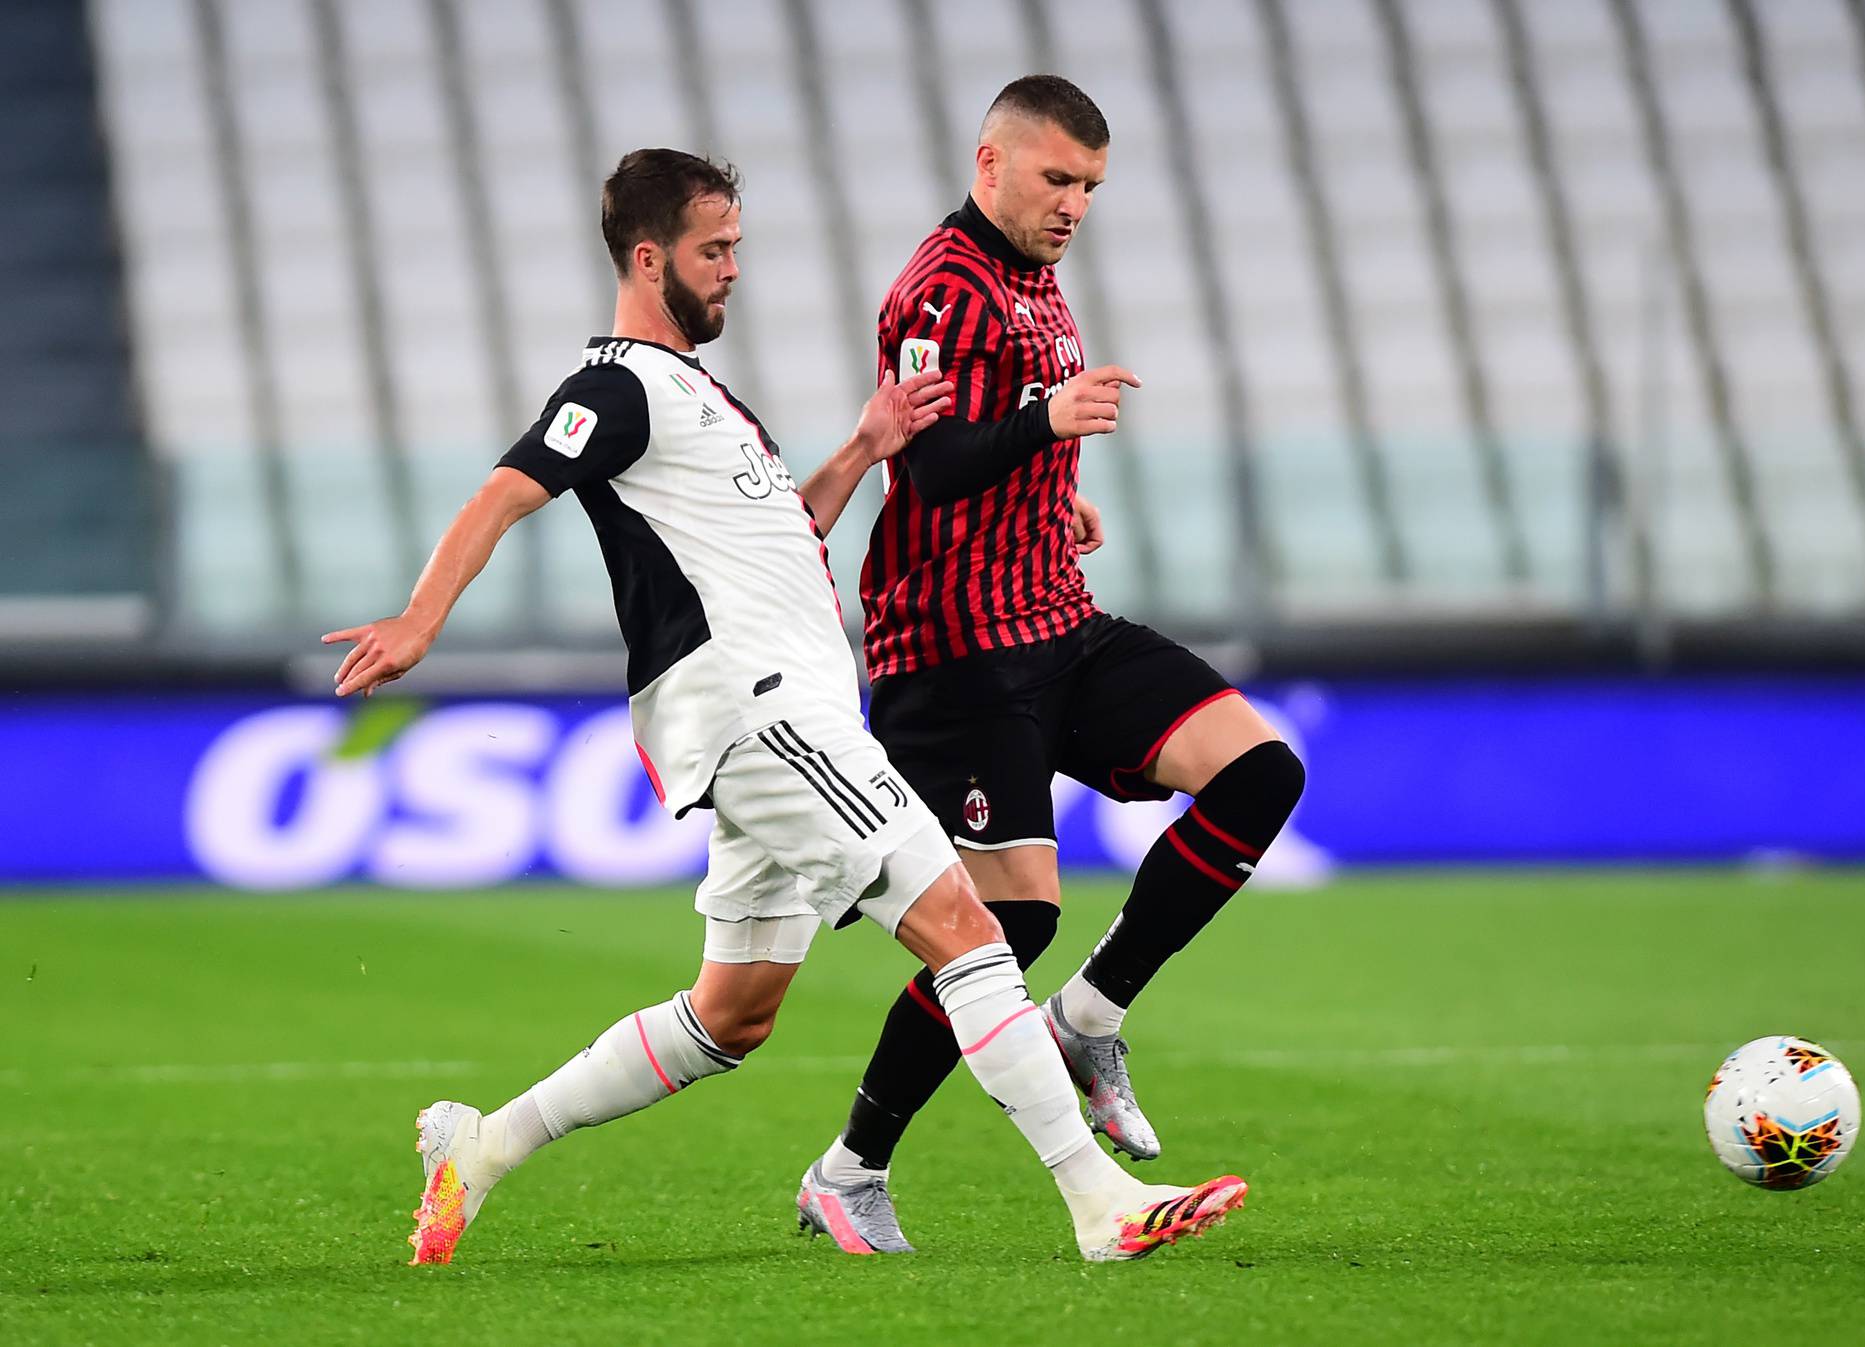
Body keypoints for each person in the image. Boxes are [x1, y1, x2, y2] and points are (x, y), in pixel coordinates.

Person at [322, 147, 1246, 1266]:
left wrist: (863, 447)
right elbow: (507, 488)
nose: (733, 272)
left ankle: (484, 1147)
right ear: (650, 257)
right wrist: (420, 622)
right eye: (715, 252)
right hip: (759, 714)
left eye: (739, 251)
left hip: (781, 711)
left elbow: (784, 543)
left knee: (732, 1016)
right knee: (966, 926)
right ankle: (1102, 1206)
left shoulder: (704, 400)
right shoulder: (616, 388)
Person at [794, 77, 1305, 1254]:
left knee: (1260, 770)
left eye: (1090, 187)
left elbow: (999, 431)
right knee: (1005, 926)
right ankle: (850, 1168)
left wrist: (1054, 495)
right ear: (991, 163)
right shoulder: (942, 286)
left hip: (1056, 620)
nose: (1075, 204)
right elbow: (927, 464)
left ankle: (1092, 1012)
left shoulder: (1034, 278)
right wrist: (1046, 428)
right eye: (1057, 179)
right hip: (955, 653)